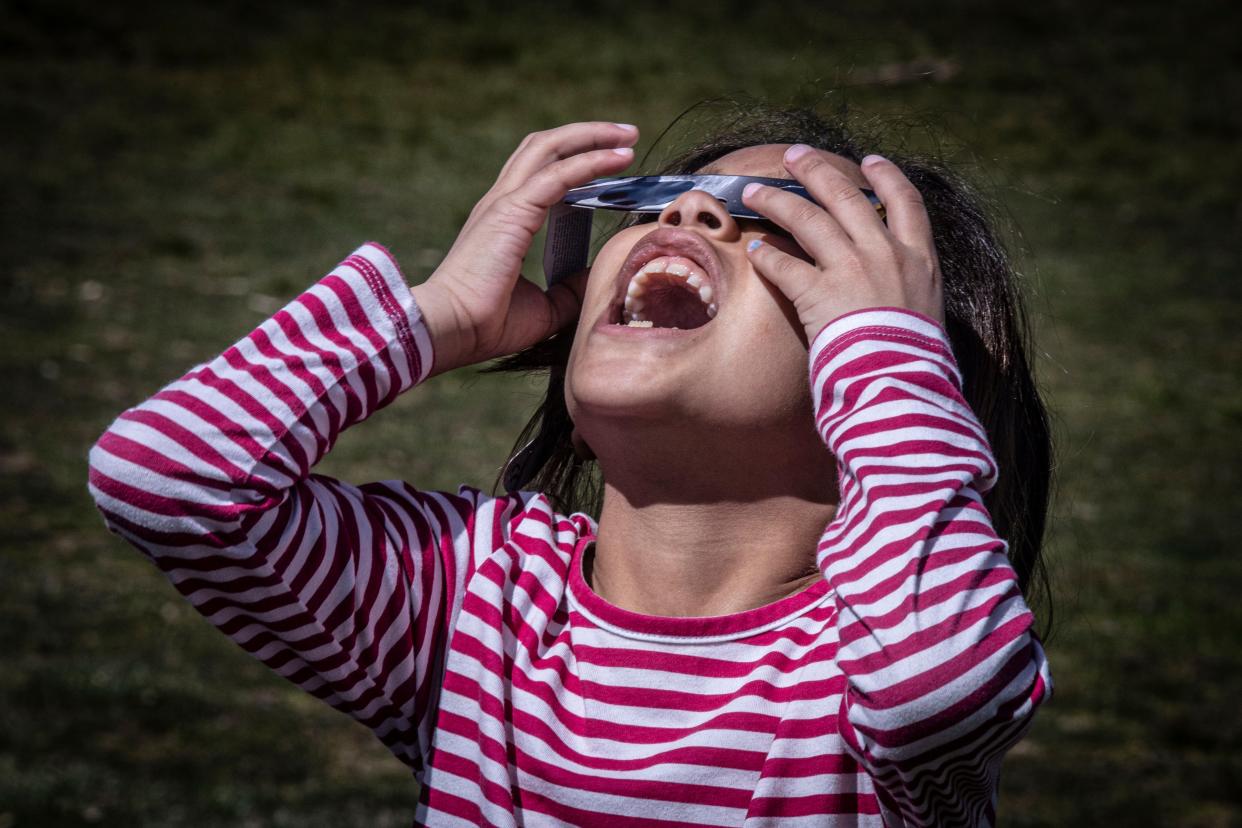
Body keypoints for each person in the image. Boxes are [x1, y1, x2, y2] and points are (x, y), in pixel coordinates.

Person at [88, 106, 1054, 826]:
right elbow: (167, 480)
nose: (688, 215)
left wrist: (888, 353)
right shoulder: (473, 600)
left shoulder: (874, 663)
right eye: (656, 201)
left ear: (889, 375)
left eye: (786, 227)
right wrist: (436, 318)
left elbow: (940, 688)